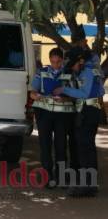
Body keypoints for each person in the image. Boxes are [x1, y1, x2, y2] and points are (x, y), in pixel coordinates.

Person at [53, 46, 105, 197]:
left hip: (88, 112)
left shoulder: (88, 72)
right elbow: (100, 91)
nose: (73, 68)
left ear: (81, 61)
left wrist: (64, 90)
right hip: (91, 110)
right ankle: (90, 184)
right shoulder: (92, 69)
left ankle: (86, 185)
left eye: (74, 64)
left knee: (84, 148)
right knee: (88, 148)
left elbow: (84, 93)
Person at [31, 47, 75, 188]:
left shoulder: (69, 74)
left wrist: (65, 98)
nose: (55, 64)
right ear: (49, 60)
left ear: (62, 60)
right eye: (53, 61)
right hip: (44, 114)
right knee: (45, 146)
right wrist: (37, 96)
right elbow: (32, 92)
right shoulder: (41, 72)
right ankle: (47, 177)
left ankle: (61, 178)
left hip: (62, 116)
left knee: (61, 146)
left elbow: (75, 95)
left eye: (58, 62)